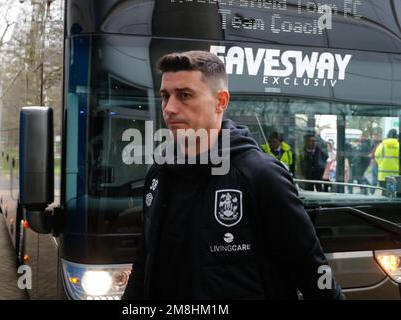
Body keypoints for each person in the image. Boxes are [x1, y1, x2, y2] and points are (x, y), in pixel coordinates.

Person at [122, 51, 343, 300]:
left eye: (184, 95)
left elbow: (313, 273)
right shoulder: (159, 175)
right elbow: (144, 263)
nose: (170, 108)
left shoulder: (261, 175)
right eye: (165, 96)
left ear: (221, 102)